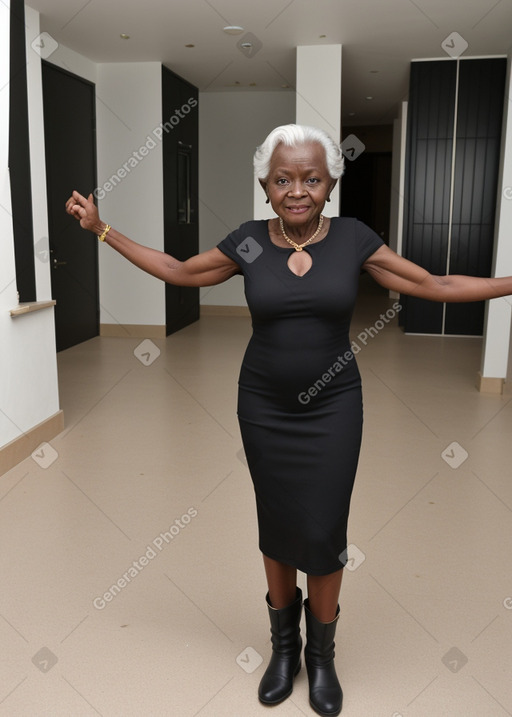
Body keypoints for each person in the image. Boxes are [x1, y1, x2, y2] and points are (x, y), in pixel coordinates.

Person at [66, 124, 512, 717]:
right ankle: (284, 650)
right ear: (265, 185)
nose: (296, 189)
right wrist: (102, 228)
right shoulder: (248, 243)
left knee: (325, 531)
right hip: (264, 407)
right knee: (276, 524)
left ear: (330, 185)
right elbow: (178, 271)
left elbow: (435, 283)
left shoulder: (353, 239)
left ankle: (322, 656)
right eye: (283, 179)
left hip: (334, 408)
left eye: (311, 178)